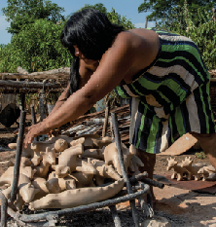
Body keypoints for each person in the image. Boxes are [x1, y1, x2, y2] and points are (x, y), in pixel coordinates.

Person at [23, 8, 216, 203]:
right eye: (73, 47)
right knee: (142, 143)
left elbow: (88, 97)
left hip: (181, 66)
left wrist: (43, 126)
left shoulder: (122, 45)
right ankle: (147, 200)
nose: (76, 52)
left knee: (203, 132)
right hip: (146, 88)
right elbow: (72, 93)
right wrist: (48, 122)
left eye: (79, 45)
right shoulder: (87, 58)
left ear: (94, 37)